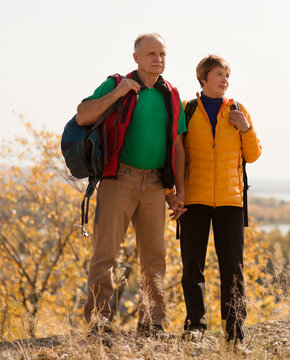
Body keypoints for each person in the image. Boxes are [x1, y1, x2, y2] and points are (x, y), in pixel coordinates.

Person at [76, 33, 187, 337]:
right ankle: (99, 324)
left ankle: (152, 324)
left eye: (162, 54)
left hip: (155, 184)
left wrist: (179, 190)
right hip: (118, 179)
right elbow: (82, 114)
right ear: (136, 57)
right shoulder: (114, 84)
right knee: (105, 255)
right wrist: (118, 93)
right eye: (151, 54)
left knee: (154, 259)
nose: (158, 59)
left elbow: (178, 145)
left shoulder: (172, 94)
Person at [179, 54, 261, 346]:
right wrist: (173, 193)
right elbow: (175, 154)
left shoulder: (238, 110)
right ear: (203, 78)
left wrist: (245, 129)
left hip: (230, 201)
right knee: (192, 267)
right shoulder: (187, 110)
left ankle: (235, 333)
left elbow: (253, 155)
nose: (225, 81)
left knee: (233, 271)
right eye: (219, 75)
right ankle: (195, 325)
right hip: (195, 199)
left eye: (227, 76)